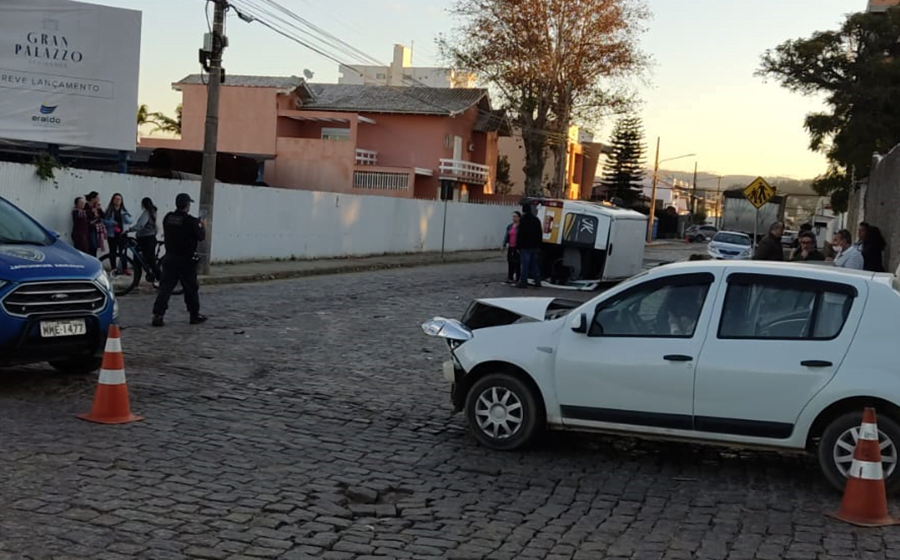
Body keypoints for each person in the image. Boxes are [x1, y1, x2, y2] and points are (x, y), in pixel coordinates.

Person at [152, 193, 207, 327]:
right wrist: (202, 226)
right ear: (187, 206)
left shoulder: (168, 218)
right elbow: (200, 236)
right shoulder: (190, 221)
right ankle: (194, 315)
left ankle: (158, 315)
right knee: (191, 288)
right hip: (185, 260)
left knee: (165, 288)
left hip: (170, 257)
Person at [131, 197, 161, 284]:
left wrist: (129, 230)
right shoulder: (153, 212)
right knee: (140, 260)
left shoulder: (146, 213)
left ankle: (161, 278)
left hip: (146, 240)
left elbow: (140, 225)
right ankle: (136, 281)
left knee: (149, 261)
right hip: (150, 238)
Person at [104, 193, 133, 275]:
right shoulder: (109, 211)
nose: (117, 201)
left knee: (123, 252)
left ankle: (125, 268)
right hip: (112, 235)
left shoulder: (124, 211)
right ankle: (114, 268)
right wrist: (112, 223)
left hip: (122, 234)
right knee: (112, 252)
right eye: (116, 199)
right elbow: (104, 221)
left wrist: (125, 216)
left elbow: (130, 220)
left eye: (119, 199)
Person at [516, 203, 543, 289]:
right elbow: (540, 234)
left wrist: (518, 246)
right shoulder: (536, 220)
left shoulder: (523, 220)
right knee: (534, 265)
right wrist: (539, 245)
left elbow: (520, 234)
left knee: (525, 265)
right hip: (535, 247)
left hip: (525, 247)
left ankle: (523, 281)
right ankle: (537, 281)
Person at [502, 211, 521, 284]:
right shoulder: (510, 226)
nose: (514, 218)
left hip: (517, 247)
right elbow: (507, 236)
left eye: (515, 216)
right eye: (513, 216)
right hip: (511, 246)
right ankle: (510, 277)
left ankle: (517, 278)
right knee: (510, 261)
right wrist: (504, 244)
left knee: (517, 262)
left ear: (519, 218)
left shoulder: (520, 227)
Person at [85, 191, 106, 258]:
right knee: (92, 245)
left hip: (97, 228)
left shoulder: (96, 206)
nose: (98, 199)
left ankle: (94, 257)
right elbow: (88, 217)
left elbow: (103, 216)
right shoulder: (87, 206)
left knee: (96, 245)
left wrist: (99, 209)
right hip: (90, 228)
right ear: (92, 198)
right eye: (97, 198)